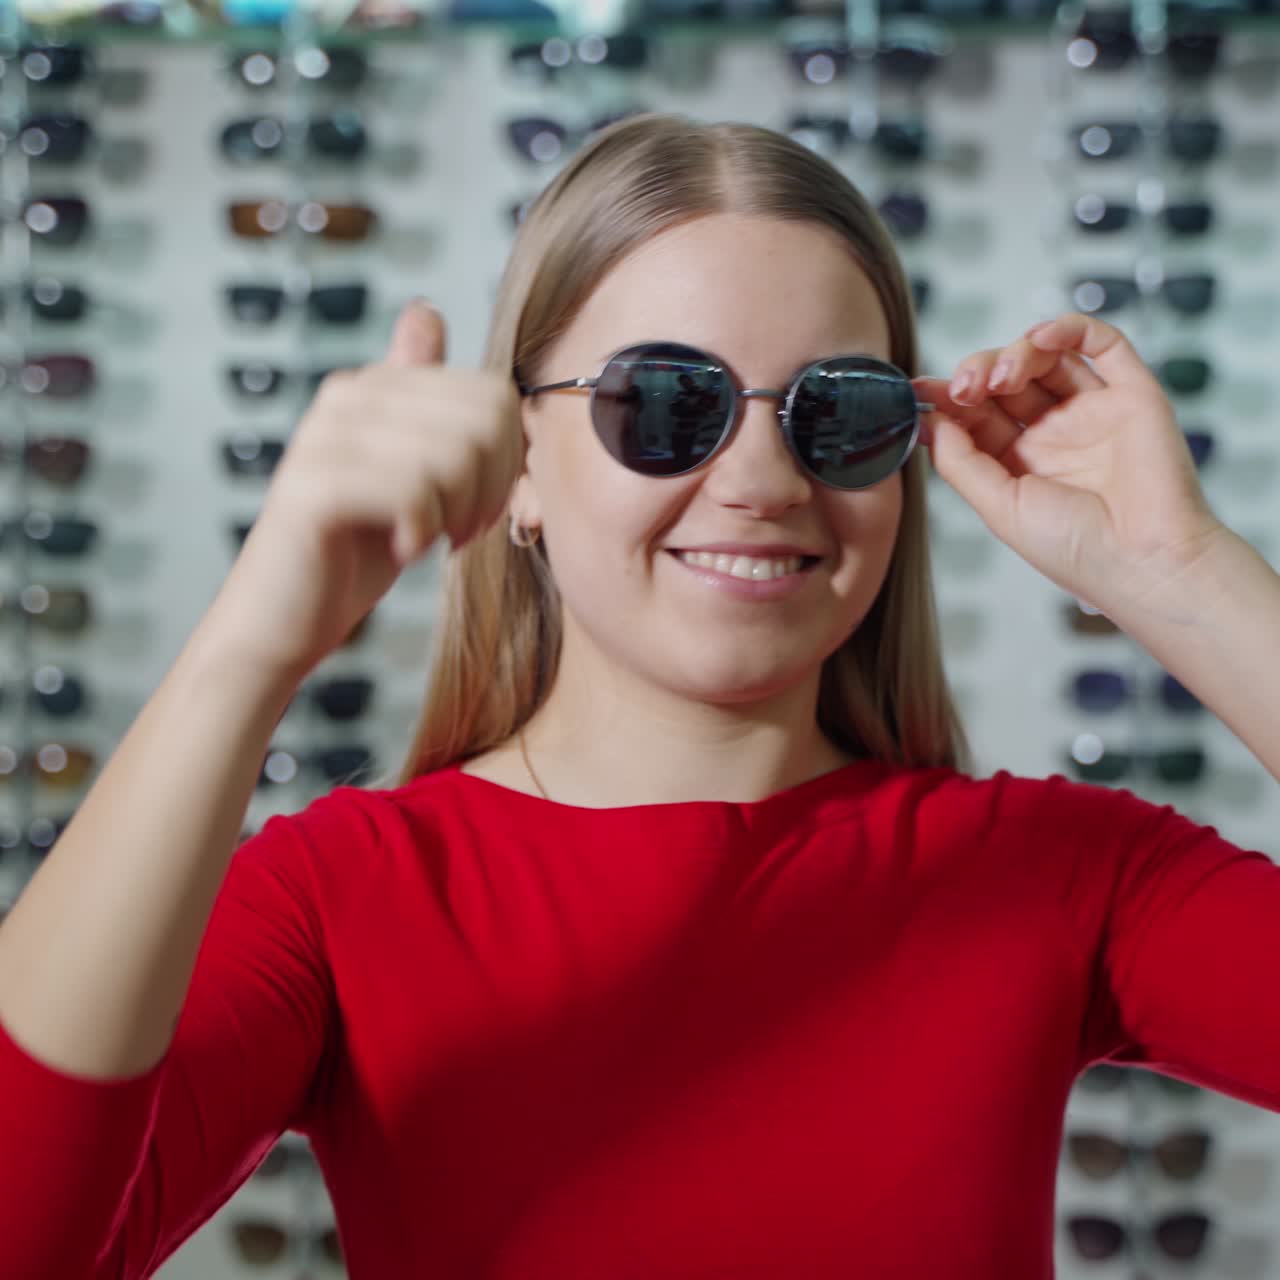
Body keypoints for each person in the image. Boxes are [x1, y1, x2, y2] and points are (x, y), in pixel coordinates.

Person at [0, 111, 1278, 1278]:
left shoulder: (1058, 874)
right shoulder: (339, 896)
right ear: (519, 463)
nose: (761, 480)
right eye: (666, 402)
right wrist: (247, 650)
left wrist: (1183, 576)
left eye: (836, 411)